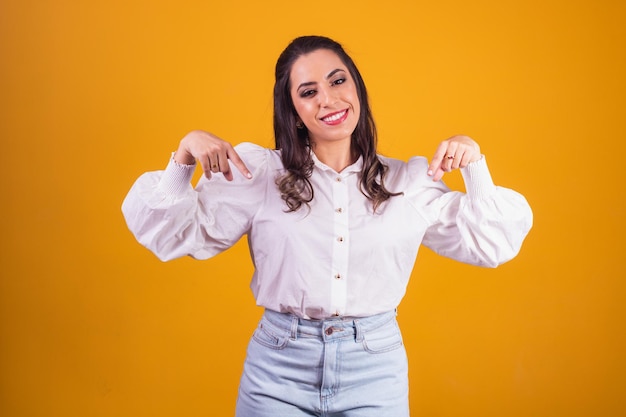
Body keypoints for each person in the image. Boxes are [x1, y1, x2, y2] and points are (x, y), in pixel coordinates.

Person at [122, 35, 532, 416]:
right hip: (278, 369)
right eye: (309, 91)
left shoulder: (408, 182)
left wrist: (474, 163)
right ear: (294, 112)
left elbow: (490, 244)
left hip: (375, 370)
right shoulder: (261, 173)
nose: (329, 99)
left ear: (357, 89)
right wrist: (184, 157)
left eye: (338, 81)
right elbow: (176, 234)